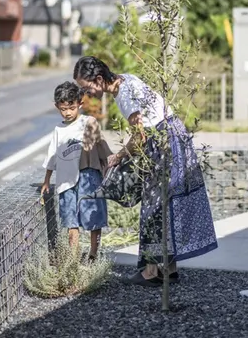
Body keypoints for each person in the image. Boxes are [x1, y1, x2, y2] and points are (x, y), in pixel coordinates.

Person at [73, 56, 218, 287]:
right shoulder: (127, 79)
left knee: (152, 207)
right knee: (165, 205)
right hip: (173, 136)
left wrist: (118, 156)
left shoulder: (124, 96)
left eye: (86, 87)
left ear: (99, 80)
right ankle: (168, 270)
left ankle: (151, 272)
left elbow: (140, 137)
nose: (86, 93)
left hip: (162, 143)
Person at [41, 81, 112, 262]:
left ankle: (93, 253)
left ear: (80, 104)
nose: (67, 112)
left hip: (88, 176)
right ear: (57, 107)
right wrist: (46, 181)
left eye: (71, 108)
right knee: (70, 219)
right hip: (66, 181)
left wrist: (109, 169)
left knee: (93, 214)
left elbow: (101, 146)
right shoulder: (59, 129)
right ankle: (73, 258)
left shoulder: (89, 122)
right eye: (63, 109)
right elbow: (52, 155)